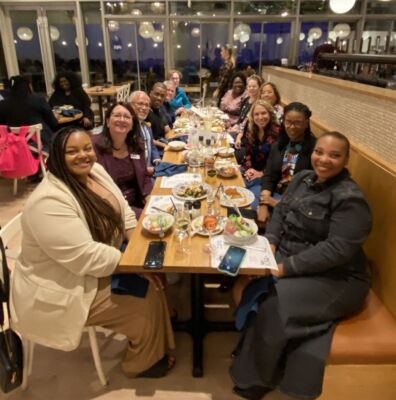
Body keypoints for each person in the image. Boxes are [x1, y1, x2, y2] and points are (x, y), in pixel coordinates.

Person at [10, 126, 175, 378]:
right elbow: (85, 256)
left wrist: (137, 249)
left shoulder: (95, 172)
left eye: (87, 148)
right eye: (72, 151)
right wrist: (134, 264)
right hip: (64, 282)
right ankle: (142, 362)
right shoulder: (48, 202)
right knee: (145, 296)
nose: (83, 155)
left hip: (96, 261)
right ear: (56, 156)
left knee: (157, 266)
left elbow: (124, 213)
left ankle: (161, 338)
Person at [230, 132, 372, 400]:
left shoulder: (350, 199)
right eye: (320, 152)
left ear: (346, 159)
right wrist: (270, 244)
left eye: (334, 155)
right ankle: (263, 354)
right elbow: (280, 213)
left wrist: (284, 268)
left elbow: (336, 251)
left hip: (338, 278)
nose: (324, 160)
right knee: (248, 281)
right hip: (294, 257)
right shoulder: (302, 178)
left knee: (274, 303)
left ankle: (257, 378)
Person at [257, 102, 316, 225]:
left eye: (297, 123)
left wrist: (273, 203)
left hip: (297, 207)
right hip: (273, 195)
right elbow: (269, 176)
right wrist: (263, 204)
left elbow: (311, 192)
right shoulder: (279, 145)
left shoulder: (315, 151)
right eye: (288, 122)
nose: (292, 127)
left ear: (306, 123)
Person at [92, 103, 153, 219]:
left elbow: (144, 175)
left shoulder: (136, 145)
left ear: (132, 125)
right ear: (108, 121)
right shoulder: (93, 147)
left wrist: (149, 198)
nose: (122, 119)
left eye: (126, 117)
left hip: (138, 202)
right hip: (111, 207)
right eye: (117, 115)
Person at [0, 75, 58, 147]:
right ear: (29, 86)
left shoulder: (3, 103)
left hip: (15, 143)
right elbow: (53, 123)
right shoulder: (38, 99)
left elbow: (2, 126)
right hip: (40, 143)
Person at [240, 100, 277, 210]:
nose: (260, 117)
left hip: (267, 177)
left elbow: (278, 163)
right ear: (252, 116)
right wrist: (249, 168)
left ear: (270, 114)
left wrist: (261, 173)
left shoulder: (278, 132)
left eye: (264, 113)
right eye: (256, 114)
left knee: (244, 198)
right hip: (251, 170)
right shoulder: (251, 128)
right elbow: (247, 152)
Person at [129, 91, 161, 177]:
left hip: (151, 168)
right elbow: (130, 158)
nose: (144, 108)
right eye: (140, 104)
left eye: (147, 105)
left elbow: (152, 145)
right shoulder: (128, 129)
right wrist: (145, 170)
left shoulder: (147, 126)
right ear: (130, 105)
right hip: (138, 175)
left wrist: (156, 158)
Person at [233, 75, 263, 147]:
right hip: (239, 130)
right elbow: (240, 118)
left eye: (254, 86)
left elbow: (247, 125)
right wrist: (234, 126)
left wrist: (238, 136)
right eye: (249, 86)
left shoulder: (258, 104)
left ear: (259, 87)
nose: (251, 88)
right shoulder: (246, 100)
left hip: (246, 136)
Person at [146, 82, 171, 152]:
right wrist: (165, 145)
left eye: (162, 96)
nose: (159, 98)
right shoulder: (145, 111)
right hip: (154, 150)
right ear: (150, 93)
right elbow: (145, 138)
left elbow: (167, 128)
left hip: (163, 143)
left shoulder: (159, 108)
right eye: (156, 94)